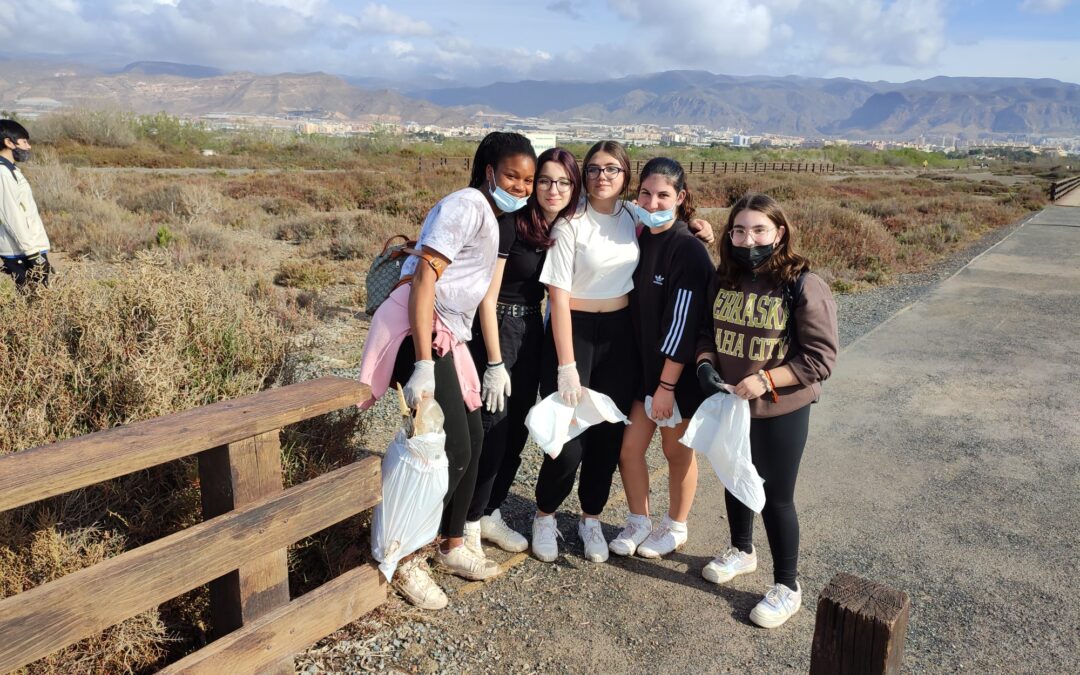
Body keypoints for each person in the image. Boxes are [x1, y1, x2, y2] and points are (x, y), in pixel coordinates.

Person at [357, 131, 536, 610]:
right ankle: (407, 558)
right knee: (443, 449)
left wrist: (485, 361)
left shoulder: (496, 218)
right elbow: (423, 280)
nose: (520, 187)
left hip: (447, 336)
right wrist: (421, 364)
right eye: (512, 176)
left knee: (471, 440)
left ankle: (453, 545)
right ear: (488, 172)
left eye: (528, 180)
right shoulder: (466, 205)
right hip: (423, 331)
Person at [531, 141, 715, 564]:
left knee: (608, 435)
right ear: (584, 174)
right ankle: (544, 515)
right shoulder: (569, 223)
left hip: (619, 337)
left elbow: (669, 225)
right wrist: (566, 366)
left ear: (624, 175)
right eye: (593, 168)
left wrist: (699, 228)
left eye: (612, 169)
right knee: (567, 437)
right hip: (573, 332)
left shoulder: (632, 216)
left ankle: (591, 518)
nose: (602, 177)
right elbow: (557, 299)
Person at [694, 192, 838, 628]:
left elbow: (821, 358)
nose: (748, 238)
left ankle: (787, 586)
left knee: (776, 498)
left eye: (759, 229)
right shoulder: (725, 278)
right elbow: (706, 331)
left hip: (780, 410)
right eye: (739, 230)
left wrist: (768, 380)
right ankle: (741, 549)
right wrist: (705, 362)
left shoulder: (803, 284)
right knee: (734, 477)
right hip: (732, 402)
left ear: (780, 232)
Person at [464, 148, 582, 555]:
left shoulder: (567, 225)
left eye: (563, 182)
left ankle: (490, 511)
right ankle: (466, 525)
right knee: (491, 429)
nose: (552, 189)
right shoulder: (513, 225)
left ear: (574, 187)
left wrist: (695, 226)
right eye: (544, 180)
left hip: (534, 329)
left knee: (517, 431)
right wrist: (495, 361)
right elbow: (487, 295)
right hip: (498, 328)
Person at [609, 158, 714, 559]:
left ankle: (675, 526)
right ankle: (639, 520)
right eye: (646, 194)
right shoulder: (640, 236)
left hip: (676, 376)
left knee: (676, 453)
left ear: (681, 197)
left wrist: (667, 386)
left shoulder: (688, 250)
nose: (653, 203)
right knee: (629, 450)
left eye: (663, 195)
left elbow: (683, 327)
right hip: (644, 372)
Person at [0, 119, 51, 289]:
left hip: (27, 249)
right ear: (8, 142)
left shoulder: (11, 170)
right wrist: (33, 255)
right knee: (34, 303)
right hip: (20, 252)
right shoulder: (2, 173)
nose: (28, 147)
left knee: (40, 302)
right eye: (24, 142)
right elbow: (11, 216)